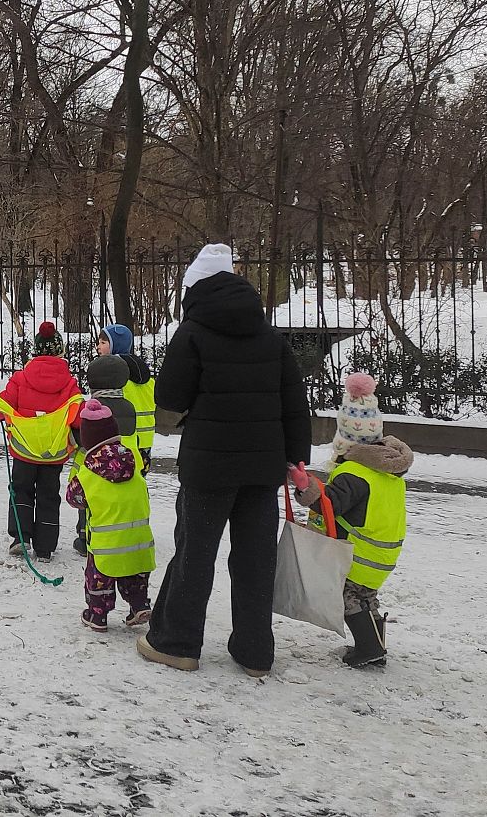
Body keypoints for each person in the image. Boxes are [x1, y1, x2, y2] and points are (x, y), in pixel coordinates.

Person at [137, 243, 311, 679]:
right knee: (255, 559)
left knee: (194, 553)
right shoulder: (270, 335)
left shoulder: (192, 332)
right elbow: (294, 403)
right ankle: (255, 652)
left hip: (208, 466)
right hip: (263, 468)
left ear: (196, 288)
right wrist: (296, 459)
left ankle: (176, 643)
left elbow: (170, 401)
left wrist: (190, 414)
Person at [291, 373, 410, 668]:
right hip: (384, 550)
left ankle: (369, 648)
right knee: (366, 597)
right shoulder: (387, 471)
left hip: (359, 553)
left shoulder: (354, 474)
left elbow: (329, 505)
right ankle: (376, 646)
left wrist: (305, 486)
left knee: (347, 599)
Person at [0, 321, 81, 562]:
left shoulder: (21, 378)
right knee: (49, 495)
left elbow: (2, 404)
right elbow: (77, 413)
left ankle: (21, 537)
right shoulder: (69, 383)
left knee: (21, 491)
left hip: (24, 450)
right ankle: (45, 546)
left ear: (36, 351)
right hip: (53, 454)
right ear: (60, 352)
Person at [66, 400, 154, 632]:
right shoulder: (134, 458)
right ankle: (139, 604)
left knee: (99, 581)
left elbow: (73, 498)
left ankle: (97, 616)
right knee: (134, 574)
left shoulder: (87, 472)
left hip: (106, 545)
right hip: (139, 539)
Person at [72, 355, 138, 554]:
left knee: (90, 502)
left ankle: (84, 537)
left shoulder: (92, 407)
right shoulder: (129, 406)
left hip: (94, 465)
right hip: (125, 462)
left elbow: (80, 437)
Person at [96, 324, 158, 461]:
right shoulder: (146, 375)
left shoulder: (115, 375)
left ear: (114, 345)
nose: (98, 347)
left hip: (124, 440)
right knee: (139, 480)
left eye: (103, 342)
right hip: (146, 440)